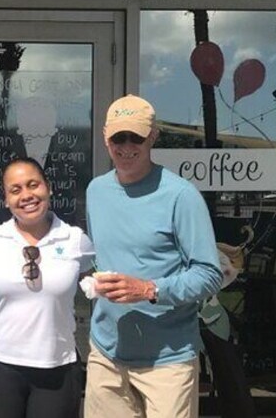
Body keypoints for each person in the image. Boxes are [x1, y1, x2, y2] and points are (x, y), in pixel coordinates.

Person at [84, 95, 223, 418]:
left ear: (154, 136)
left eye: (137, 137)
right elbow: (104, 258)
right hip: (107, 354)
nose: (127, 146)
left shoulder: (181, 195)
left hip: (168, 360)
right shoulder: (96, 191)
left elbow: (209, 273)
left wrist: (149, 290)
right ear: (106, 137)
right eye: (119, 137)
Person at [0, 157, 95, 418]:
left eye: (33, 185)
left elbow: (95, 280)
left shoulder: (76, 240)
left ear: (48, 187)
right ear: (5, 199)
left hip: (57, 367)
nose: (26, 195)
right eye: (15, 190)